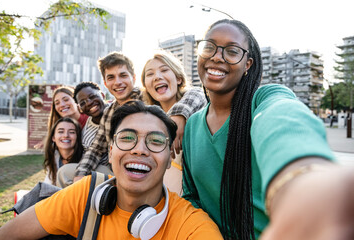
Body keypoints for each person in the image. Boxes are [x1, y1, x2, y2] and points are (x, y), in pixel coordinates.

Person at [182, 19, 354, 240]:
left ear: (248, 64)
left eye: (232, 51)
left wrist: (303, 176)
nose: (217, 56)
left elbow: (283, 117)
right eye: (209, 47)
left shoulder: (263, 99)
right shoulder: (191, 126)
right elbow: (191, 198)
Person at [0, 101, 223, 240]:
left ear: (169, 155)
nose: (139, 150)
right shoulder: (83, 195)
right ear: (111, 150)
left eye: (155, 141)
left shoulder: (192, 226)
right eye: (127, 138)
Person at [72, 51, 206, 184]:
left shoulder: (146, 102)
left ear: (134, 78)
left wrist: (178, 114)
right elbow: (96, 148)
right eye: (111, 77)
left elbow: (197, 93)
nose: (118, 82)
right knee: (71, 176)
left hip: (155, 170)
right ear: (105, 83)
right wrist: (80, 174)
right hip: (121, 168)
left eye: (123, 75)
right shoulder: (110, 112)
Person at [141, 50, 207, 194]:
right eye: (150, 74)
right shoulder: (150, 118)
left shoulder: (194, 104)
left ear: (178, 79)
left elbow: (198, 94)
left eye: (164, 70)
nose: (157, 77)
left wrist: (178, 114)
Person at [56, 82, 112, 188]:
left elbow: (95, 150)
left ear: (102, 95)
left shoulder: (112, 114)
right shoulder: (88, 123)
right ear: (80, 108)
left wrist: (81, 173)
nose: (89, 103)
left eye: (92, 97)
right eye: (83, 102)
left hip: (109, 169)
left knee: (64, 173)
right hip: (91, 167)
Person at [43, 117, 83, 186]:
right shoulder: (54, 156)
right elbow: (48, 184)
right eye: (61, 132)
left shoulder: (84, 159)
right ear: (53, 138)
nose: (66, 135)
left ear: (77, 137)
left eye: (71, 132)